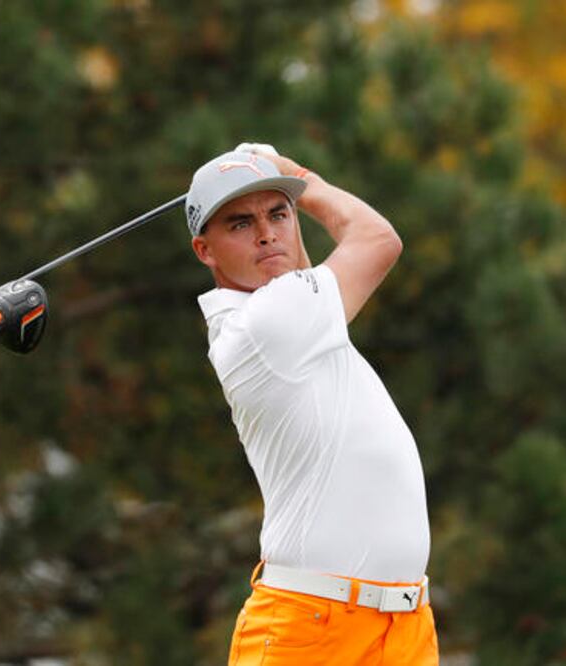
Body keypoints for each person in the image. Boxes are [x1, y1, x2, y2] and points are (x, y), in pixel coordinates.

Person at [187, 144, 437, 666]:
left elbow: (298, 268)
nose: (266, 234)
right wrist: (297, 175)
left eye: (278, 214)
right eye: (240, 224)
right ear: (204, 251)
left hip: (403, 627)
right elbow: (379, 239)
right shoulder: (268, 324)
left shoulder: (298, 314)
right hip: (313, 629)